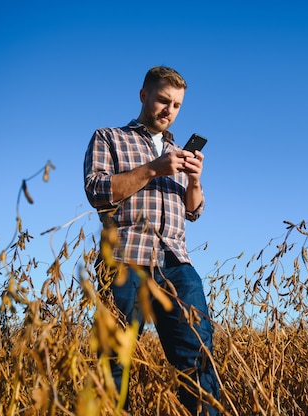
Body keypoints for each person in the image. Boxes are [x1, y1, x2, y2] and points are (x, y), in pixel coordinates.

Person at [83, 66, 221, 415]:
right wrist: (153, 169)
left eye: (176, 105)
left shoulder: (178, 148)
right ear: (144, 95)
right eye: (163, 100)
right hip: (125, 259)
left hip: (176, 265)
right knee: (114, 362)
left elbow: (193, 212)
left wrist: (194, 182)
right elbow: (98, 192)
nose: (169, 111)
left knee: (199, 358)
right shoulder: (109, 137)